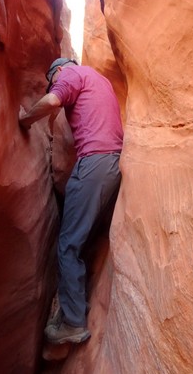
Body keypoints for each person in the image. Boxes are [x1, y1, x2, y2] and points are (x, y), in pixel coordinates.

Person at [19, 58, 123, 344]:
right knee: (80, 239)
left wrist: (26, 119)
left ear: (58, 72)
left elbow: (52, 101)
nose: (55, 84)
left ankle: (74, 322)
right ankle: (74, 305)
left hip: (94, 163)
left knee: (67, 245)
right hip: (111, 162)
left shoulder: (70, 75)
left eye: (53, 80)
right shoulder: (98, 78)